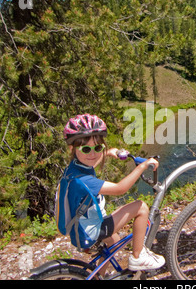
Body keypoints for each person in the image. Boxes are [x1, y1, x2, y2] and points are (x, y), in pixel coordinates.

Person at [61, 113, 165, 271]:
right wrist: (142, 167)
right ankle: (138, 257)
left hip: (81, 227)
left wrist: (108, 153)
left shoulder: (74, 168)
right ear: (72, 148)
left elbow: (91, 160)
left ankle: (98, 276)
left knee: (114, 241)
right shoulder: (83, 179)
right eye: (86, 148)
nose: (93, 154)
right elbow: (120, 189)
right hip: (93, 230)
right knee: (141, 207)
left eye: (97, 147)